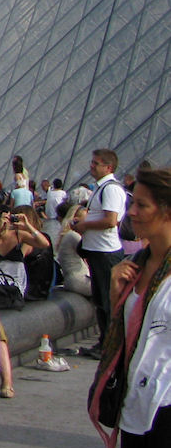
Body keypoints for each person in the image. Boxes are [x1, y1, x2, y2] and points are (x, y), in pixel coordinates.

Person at [90, 165, 171, 448]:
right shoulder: (137, 266)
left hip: (168, 403)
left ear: (167, 211)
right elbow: (125, 340)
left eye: (141, 205)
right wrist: (118, 295)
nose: (131, 212)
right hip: (137, 405)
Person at [76, 148, 129, 349]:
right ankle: (104, 342)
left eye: (96, 163)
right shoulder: (102, 188)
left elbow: (110, 221)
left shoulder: (111, 189)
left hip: (105, 252)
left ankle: (109, 345)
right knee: (101, 301)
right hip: (98, 250)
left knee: (107, 301)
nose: (91, 166)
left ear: (108, 167)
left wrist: (85, 225)